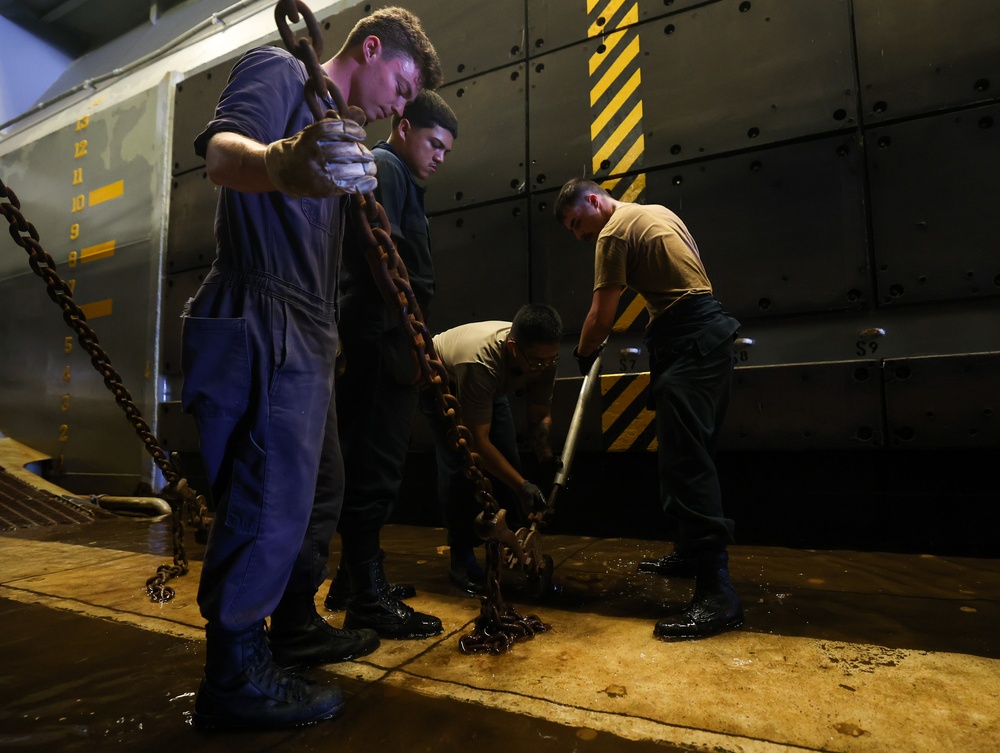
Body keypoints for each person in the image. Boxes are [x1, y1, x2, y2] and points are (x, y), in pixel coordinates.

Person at [180, 8, 441, 730]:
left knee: (315, 493)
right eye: (403, 83)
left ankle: (294, 623)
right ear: (373, 47)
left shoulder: (344, 132)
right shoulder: (284, 72)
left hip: (309, 327)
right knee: (268, 496)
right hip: (265, 307)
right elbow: (221, 155)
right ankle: (234, 671)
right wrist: (279, 163)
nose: (400, 104)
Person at [554, 177, 743, 641]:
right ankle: (688, 551)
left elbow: (602, 316)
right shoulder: (657, 212)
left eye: (579, 224)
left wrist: (582, 353)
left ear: (595, 201)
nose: (581, 236)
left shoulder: (614, 232)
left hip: (689, 338)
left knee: (688, 463)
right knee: (684, 452)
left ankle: (718, 594)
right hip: (704, 335)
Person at [324, 90, 458, 638]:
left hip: (385, 337)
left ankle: (351, 580)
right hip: (382, 337)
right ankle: (368, 599)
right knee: (375, 468)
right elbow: (387, 258)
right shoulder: (387, 167)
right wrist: (411, 337)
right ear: (403, 127)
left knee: (368, 463)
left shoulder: (395, 175)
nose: (440, 157)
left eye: (447, 151)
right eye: (434, 142)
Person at [422, 304, 561, 593]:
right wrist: (523, 485)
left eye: (550, 360)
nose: (543, 368)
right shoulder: (481, 362)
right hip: (443, 382)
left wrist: (546, 458)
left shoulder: (543, 358)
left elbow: (539, 414)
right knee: (461, 466)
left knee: (509, 458)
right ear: (513, 348)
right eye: (537, 362)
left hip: (489, 387)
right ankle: (461, 557)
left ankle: (513, 543)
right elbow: (477, 443)